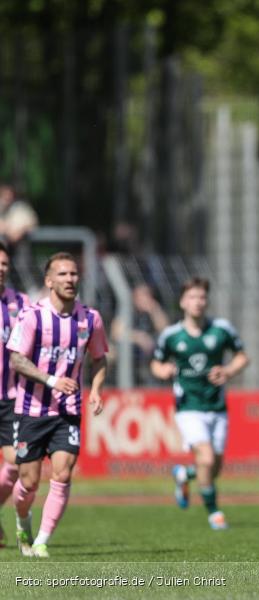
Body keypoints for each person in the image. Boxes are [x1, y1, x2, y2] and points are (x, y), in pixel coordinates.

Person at [7, 252, 108, 558]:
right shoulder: (32, 316)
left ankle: (41, 541)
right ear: (49, 281)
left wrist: (97, 390)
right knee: (28, 481)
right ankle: (23, 521)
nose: (69, 280)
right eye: (62, 275)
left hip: (68, 412)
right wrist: (51, 381)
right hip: (30, 410)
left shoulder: (90, 318)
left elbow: (100, 357)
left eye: (74, 274)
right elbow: (16, 359)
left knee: (62, 474)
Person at [150, 277, 250, 530]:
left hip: (217, 406)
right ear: (183, 302)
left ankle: (185, 474)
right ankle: (214, 513)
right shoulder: (172, 335)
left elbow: (242, 356)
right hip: (188, 406)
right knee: (205, 458)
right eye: (193, 297)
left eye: (202, 297)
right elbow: (156, 362)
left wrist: (227, 371)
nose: (198, 302)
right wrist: (162, 371)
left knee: (214, 467)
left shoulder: (221, 329)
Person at [0, 242, 29, 548]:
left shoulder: (21, 303)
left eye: (5, 264)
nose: (0, 269)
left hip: (10, 398)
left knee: (16, 464)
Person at [0, 183, 39, 252]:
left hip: (20, 251)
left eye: (9, 194)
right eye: (4, 195)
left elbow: (32, 222)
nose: (7, 197)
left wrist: (20, 231)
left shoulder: (21, 208)